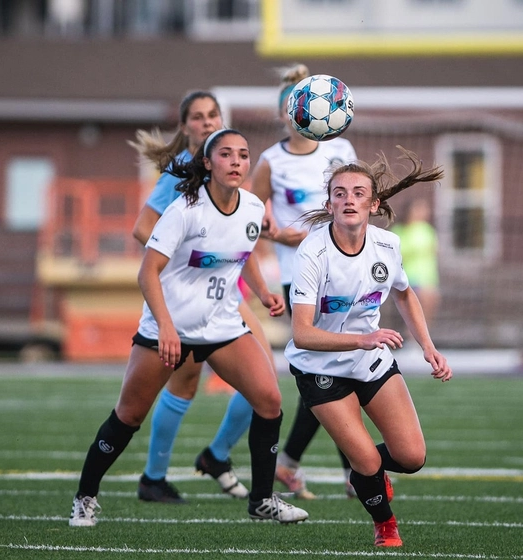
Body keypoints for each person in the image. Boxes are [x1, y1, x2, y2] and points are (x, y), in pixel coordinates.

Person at [69, 129, 308, 527]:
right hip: (170, 328)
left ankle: (262, 500)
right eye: (226, 154)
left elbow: (243, 250)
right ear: (207, 163)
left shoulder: (251, 206)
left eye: (243, 155)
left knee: (269, 400)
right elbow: (148, 272)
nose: (236, 161)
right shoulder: (184, 209)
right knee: (128, 416)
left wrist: (264, 292)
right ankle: (85, 496)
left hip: (221, 326)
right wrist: (164, 327)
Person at [285, 150, 452, 547]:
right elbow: (302, 333)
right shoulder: (312, 252)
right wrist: (363, 338)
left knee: (411, 457)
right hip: (319, 367)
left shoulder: (388, 246)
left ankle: (368, 473)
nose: (348, 199)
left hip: (370, 360)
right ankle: (385, 526)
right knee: (368, 462)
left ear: (373, 205)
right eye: (339, 193)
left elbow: (405, 294)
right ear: (329, 205)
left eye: (358, 193)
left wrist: (428, 346)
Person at [129, 91, 275, 503]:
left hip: (227, 291)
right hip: (190, 296)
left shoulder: (230, 171)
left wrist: (263, 286)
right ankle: (154, 477)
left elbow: (243, 237)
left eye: (214, 114)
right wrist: (184, 264)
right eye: (198, 117)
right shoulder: (180, 172)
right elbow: (144, 229)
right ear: (185, 126)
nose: (207, 122)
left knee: (264, 381)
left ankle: (215, 455)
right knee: (184, 385)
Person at [251, 63, 356, 499]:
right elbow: (251, 217)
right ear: (284, 113)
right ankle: (354, 471)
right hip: (301, 278)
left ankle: (296, 464)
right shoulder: (270, 161)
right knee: (329, 370)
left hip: (346, 274)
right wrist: (278, 234)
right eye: (290, 104)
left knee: (344, 369)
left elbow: (358, 202)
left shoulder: (341, 148)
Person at [391, 198, 440, 329]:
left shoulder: (427, 230)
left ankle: (422, 333)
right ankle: (411, 334)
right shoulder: (400, 230)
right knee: (415, 304)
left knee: (429, 303)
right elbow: (397, 254)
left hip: (427, 274)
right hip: (409, 273)